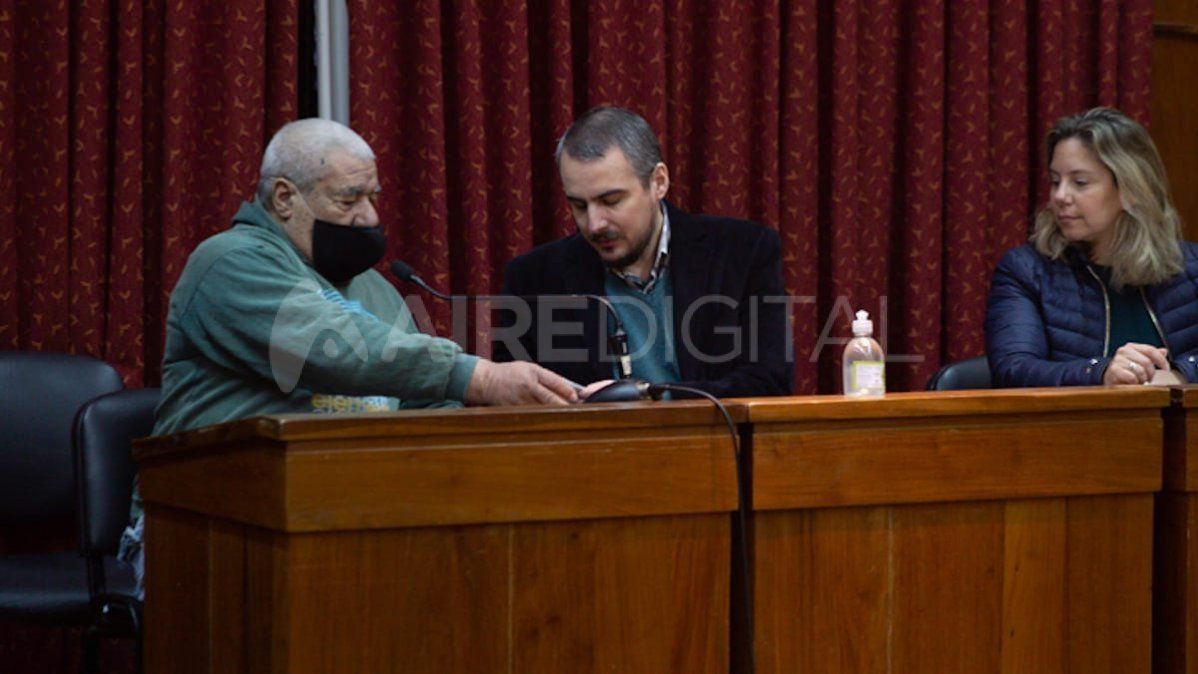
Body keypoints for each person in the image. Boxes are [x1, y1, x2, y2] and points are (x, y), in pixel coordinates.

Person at [120, 118, 579, 594]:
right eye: (349, 199)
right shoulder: (228, 263)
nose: (368, 217)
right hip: (207, 522)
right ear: (283, 198)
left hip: (342, 519)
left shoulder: (376, 289)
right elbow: (331, 347)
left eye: (373, 197)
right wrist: (480, 378)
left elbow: (426, 409)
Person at [495, 106, 793, 397]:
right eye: (579, 206)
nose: (594, 224)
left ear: (658, 182)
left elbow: (770, 381)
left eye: (611, 201)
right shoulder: (533, 279)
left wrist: (646, 395)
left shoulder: (744, 252)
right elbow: (508, 410)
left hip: (712, 444)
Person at [985, 107, 1198, 387]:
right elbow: (1014, 369)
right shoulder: (1026, 270)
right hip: (1075, 429)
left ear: (1131, 189)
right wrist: (1099, 373)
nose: (1060, 196)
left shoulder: (1191, 266)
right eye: (1055, 181)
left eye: (1080, 182)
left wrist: (1181, 375)